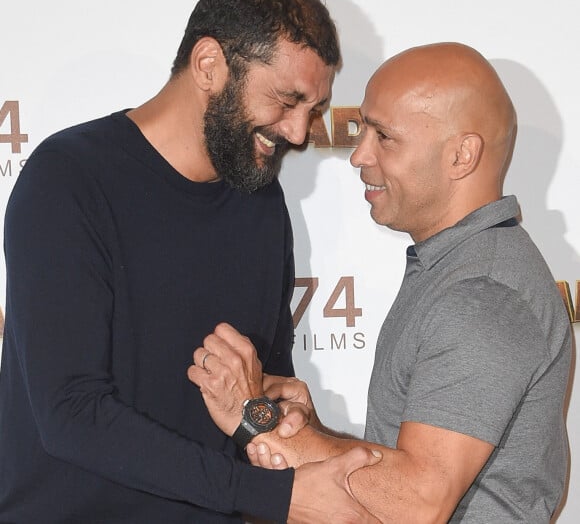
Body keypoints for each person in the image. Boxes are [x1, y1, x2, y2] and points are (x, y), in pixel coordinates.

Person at [0, 0, 381, 524]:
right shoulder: (70, 180)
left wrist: (275, 413)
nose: (299, 133)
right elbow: (72, 414)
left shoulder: (260, 203)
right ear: (209, 65)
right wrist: (275, 499)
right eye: (287, 100)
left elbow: (259, 389)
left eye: (314, 111)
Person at [189, 42, 573, 522]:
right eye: (361, 129)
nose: (359, 155)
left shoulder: (481, 295)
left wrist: (255, 418)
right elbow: (411, 470)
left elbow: (418, 503)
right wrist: (316, 436)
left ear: (462, 155)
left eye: (384, 137)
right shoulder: (455, 269)